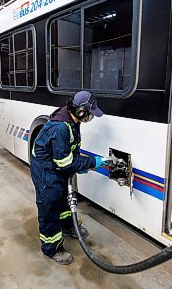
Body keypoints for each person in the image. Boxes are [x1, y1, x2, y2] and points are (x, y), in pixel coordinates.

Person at [30, 91, 107, 265]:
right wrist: (91, 162)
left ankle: (67, 226)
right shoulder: (61, 128)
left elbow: (70, 152)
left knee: (63, 199)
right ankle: (51, 248)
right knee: (49, 207)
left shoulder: (73, 121)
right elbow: (64, 162)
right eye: (90, 113)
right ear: (81, 111)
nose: (91, 117)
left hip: (56, 167)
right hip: (46, 170)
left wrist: (79, 166)